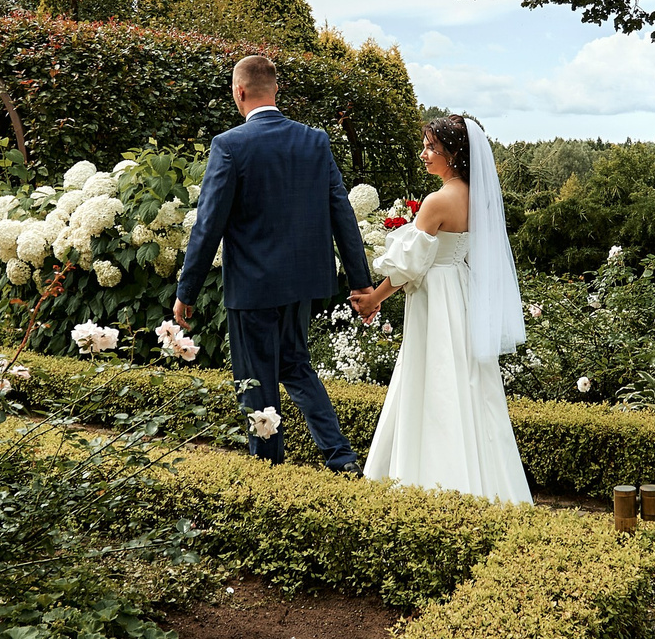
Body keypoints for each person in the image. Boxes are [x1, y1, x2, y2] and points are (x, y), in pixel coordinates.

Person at [172, 55, 376, 472]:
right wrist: (361, 282)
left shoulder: (229, 145)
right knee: (294, 366)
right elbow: (342, 212)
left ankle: (267, 474)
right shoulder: (314, 141)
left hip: (253, 289)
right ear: (275, 89)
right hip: (301, 284)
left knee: (255, 385)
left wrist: (185, 292)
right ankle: (341, 459)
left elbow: (208, 226)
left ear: (239, 92)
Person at [348, 112, 532, 502]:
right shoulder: (475, 196)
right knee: (468, 384)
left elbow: (408, 267)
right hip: (461, 294)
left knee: (433, 380)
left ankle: (432, 479)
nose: (424, 154)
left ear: (454, 153)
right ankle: (486, 482)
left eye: (432, 147)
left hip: (436, 297)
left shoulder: (436, 201)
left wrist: (372, 299)